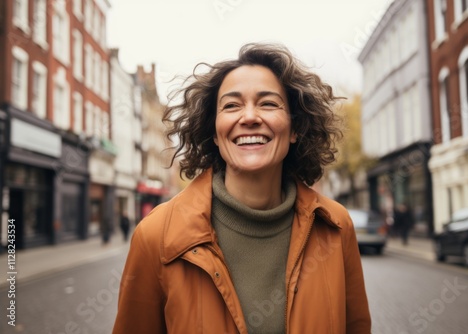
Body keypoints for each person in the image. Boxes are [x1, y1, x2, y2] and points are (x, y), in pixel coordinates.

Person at [113, 43, 371, 334]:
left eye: (268, 103)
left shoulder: (336, 227)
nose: (249, 117)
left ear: (295, 128)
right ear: (214, 131)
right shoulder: (156, 236)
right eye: (232, 105)